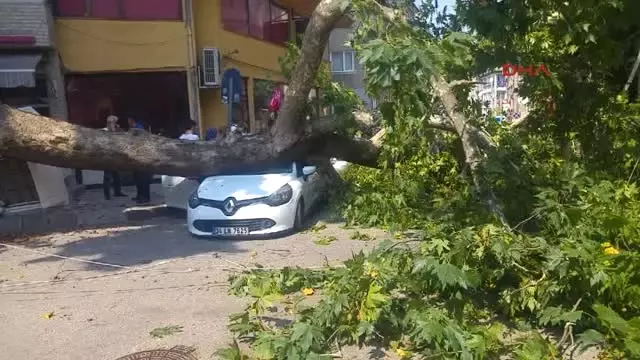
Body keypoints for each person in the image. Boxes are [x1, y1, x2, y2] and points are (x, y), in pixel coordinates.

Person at [127, 114, 151, 204]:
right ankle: (139, 195)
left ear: (132, 120)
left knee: (143, 178)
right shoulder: (135, 128)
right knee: (138, 178)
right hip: (136, 156)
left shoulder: (139, 129)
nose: (128, 121)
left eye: (129, 120)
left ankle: (144, 196)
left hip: (141, 156)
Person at [102, 115, 126, 200]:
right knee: (107, 176)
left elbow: (122, 137)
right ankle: (107, 194)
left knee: (117, 175)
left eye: (115, 122)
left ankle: (117, 191)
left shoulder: (117, 130)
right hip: (107, 156)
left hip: (116, 156)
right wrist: (111, 129)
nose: (114, 124)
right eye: (113, 122)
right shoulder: (104, 131)